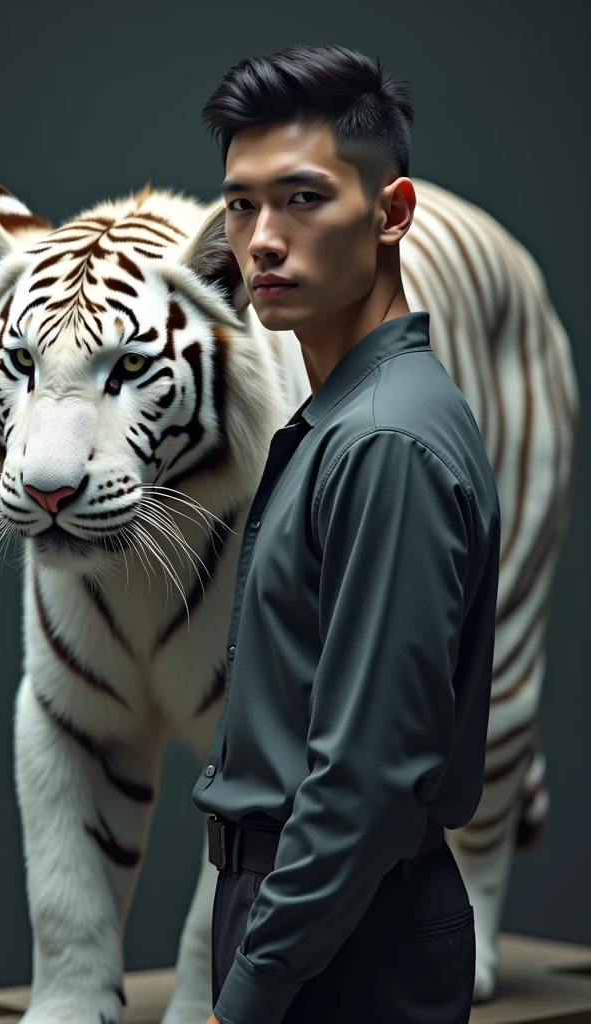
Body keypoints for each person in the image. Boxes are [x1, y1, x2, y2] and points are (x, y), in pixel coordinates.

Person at [191, 43, 501, 1024]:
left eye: (301, 199)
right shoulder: (352, 417)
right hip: (322, 921)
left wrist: (250, 990)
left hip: (342, 941)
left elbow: (363, 782)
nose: (262, 241)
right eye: (241, 204)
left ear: (391, 212)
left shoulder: (381, 439)